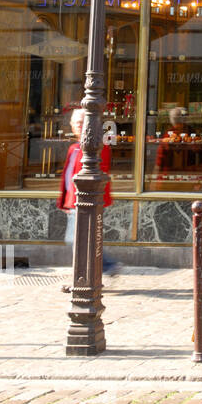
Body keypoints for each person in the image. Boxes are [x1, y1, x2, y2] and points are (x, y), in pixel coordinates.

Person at [59, 107, 119, 292]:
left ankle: (89, 275)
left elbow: (100, 171)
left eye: (80, 123)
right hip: (74, 200)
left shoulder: (98, 146)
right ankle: (88, 275)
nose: (76, 127)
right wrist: (64, 201)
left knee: (78, 241)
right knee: (78, 241)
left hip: (87, 200)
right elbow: (68, 175)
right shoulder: (73, 148)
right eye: (74, 123)